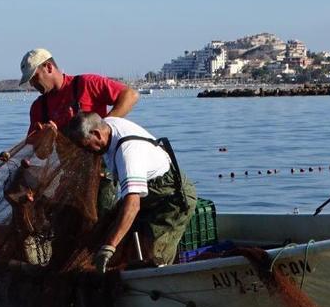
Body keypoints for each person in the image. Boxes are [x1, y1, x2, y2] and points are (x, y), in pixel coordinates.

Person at [62, 112, 197, 274]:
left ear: (96, 134)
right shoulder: (107, 124)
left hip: (170, 199)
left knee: (152, 257)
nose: (86, 151)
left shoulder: (128, 154)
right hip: (149, 192)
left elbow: (133, 205)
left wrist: (109, 247)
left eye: (85, 146)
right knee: (105, 230)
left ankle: (161, 284)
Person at [19, 48, 139, 136]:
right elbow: (40, 154)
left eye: (34, 77)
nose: (32, 84)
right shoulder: (38, 107)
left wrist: (105, 126)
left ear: (49, 67)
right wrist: (46, 137)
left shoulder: (86, 83)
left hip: (104, 159)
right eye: (29, 81)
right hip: (72, 166)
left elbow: (131, 95)